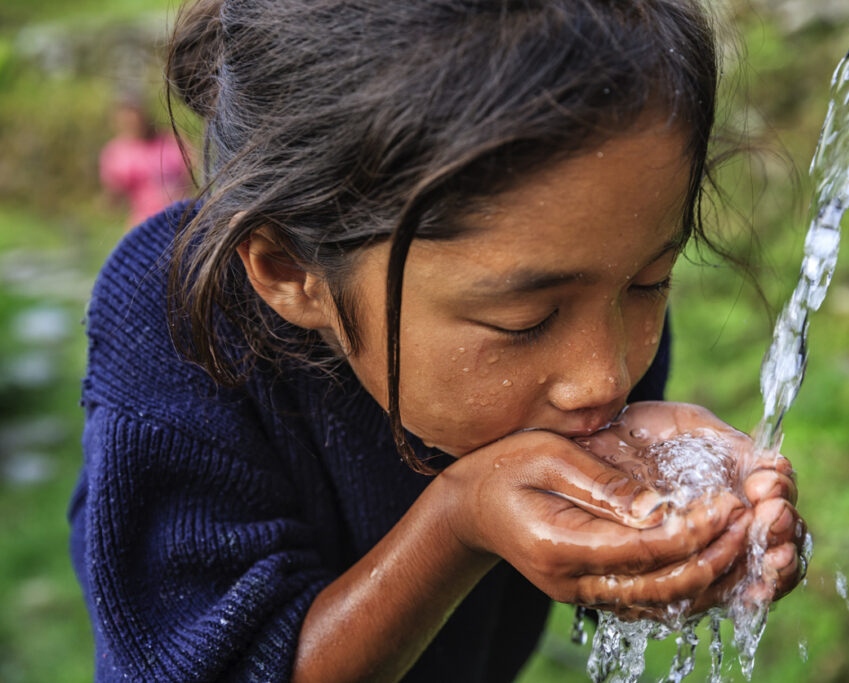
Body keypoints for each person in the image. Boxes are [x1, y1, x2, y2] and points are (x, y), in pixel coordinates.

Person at [68, 1, 807, 681]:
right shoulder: (179, 330)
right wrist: (460, 520)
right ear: (292, 269)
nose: (604, 378)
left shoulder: (587, 289)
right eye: (524, 323)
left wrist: (671, 520)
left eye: (650, 283)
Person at [98, 96, 192, 228]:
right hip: (145, 224)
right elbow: (114, 194)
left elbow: (192, 174)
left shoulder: (171, 141)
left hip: (180, 217)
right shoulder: (117, 152)